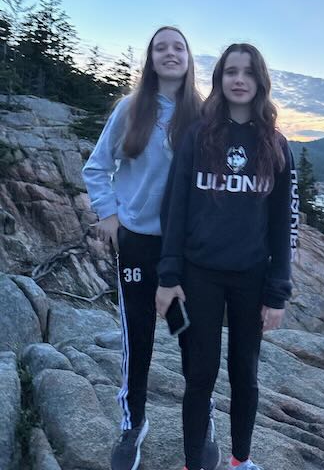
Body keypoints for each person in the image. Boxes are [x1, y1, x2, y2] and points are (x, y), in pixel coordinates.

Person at [82, 27, 220, 470]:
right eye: (161, 47)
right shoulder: (130, 108)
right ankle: (133, 424)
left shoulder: (203, 114)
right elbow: (97, 167)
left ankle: (202, 421)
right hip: (139, 242)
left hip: (188, 249)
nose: (170, 53)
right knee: (138, 336)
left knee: (191, 338)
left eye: (178, 47)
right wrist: (109, 215)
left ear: (189, 58)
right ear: (151, 58)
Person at [156, 43, 297, 470]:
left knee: (245, 376)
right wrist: (168, 276)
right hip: (199, 274)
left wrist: (277, 292)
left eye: (248, 72)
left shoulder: (276, 145)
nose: (239, 79)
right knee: (199, 375)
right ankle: (193, 462)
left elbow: (283, 225)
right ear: (219, 79)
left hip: (251, 277)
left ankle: (240, 460)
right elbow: (175, 208)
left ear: (260, 82)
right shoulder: (198, 136)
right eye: (231, 71)